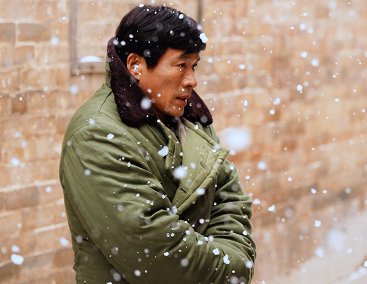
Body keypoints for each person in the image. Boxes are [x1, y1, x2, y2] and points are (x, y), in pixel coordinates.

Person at [59, 5, 255, 283]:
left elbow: (230, 198)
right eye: (181, 66)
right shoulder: (96, 134)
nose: (192, 80)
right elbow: (157, 252)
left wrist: (233, 255)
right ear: (136, 65)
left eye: (194, 66)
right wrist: (232, 269)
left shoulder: (190, 118)